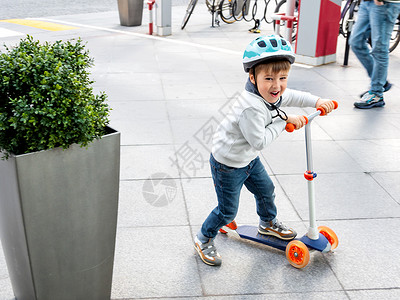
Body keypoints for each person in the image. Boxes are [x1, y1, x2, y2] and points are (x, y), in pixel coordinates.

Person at [194, 35, 336, 266]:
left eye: (282, 78)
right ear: (253, 77)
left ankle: (267, 223)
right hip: (228, 164)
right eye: (268, 78)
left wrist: (318, 101)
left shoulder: (272, 95)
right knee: (227, 211)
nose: (277, 85)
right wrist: (285, 120)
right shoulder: (250, 108)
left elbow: (294, 95)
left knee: (266, 190)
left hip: (248, 159)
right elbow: (258, 141)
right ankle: (203, 238)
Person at [349, 0, 400, 109]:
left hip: (385, 4)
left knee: (379, 50)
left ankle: (377, 94)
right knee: (356, 42)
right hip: (366, 3)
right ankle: (381, 81)